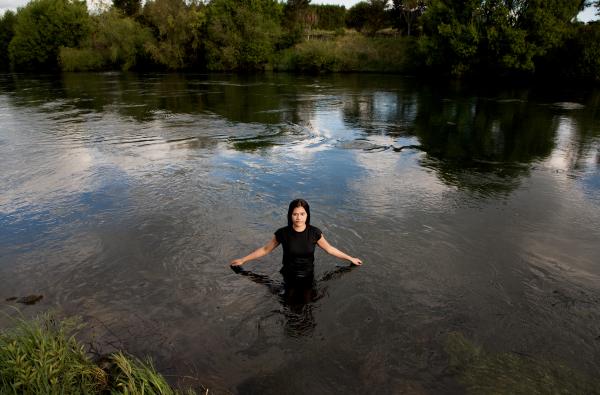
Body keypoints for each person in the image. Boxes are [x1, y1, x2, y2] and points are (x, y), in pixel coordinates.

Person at [230, 199, 363, 280]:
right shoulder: (282, 233)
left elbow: (330, 249)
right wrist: (243, 259)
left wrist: (350, 258)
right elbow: (265, 249)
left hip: (308, 274)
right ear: (290, 215)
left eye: (302, 214)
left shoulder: (314, 233)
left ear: (307, 215)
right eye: (295, 214)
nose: (298, 217)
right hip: (288, 273)